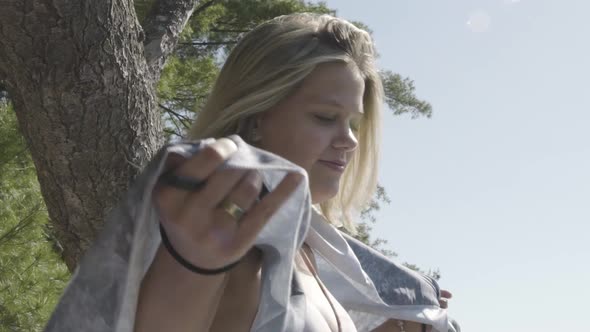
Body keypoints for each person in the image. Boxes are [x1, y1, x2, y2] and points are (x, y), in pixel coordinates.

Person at [81, 12, 456, 332]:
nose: (350, 141)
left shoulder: (311, 250)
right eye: (326, 118)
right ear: (257, 114)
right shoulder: (216, 234)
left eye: (352, 123)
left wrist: (399, 319)